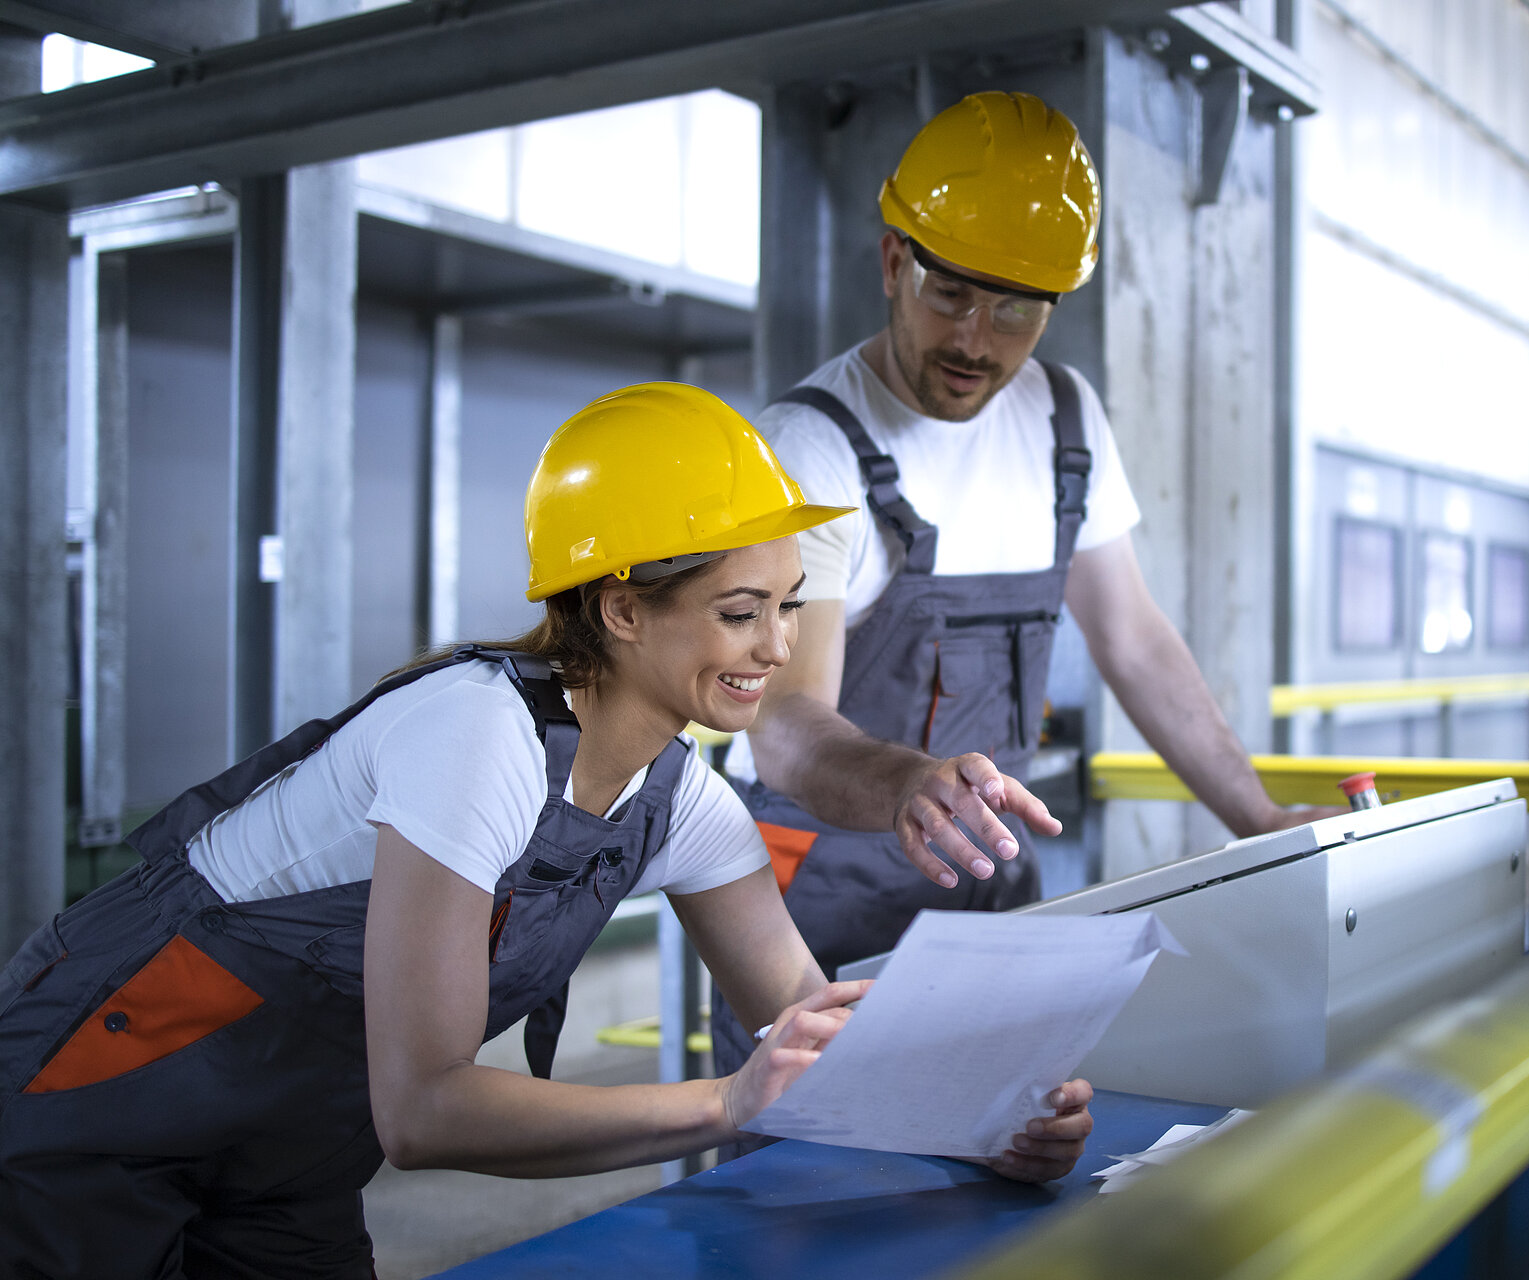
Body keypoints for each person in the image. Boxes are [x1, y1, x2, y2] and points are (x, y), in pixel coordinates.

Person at [0, 383, 1094, 1279]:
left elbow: (810, 1023)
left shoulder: (684, 799)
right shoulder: (472, 734)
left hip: (286, 1146)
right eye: (739, 609)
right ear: (622, 609)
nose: (776, 644)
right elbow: (423, 1107)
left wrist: (986, 1118)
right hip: (100, 1097)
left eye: (790, 603)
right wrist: (727, 1100)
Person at [715, 92, 1339, 1076]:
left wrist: (1256, 817)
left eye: (1015, 309)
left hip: (984, 877)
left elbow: (1132, 638)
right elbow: (785, 722)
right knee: (815, 1189)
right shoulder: (812, 448)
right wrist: (909, 785)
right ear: (892, 263)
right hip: (817, 898)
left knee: (1004, 1166)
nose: (976, 340)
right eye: (950, 294)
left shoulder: (1065, 421)